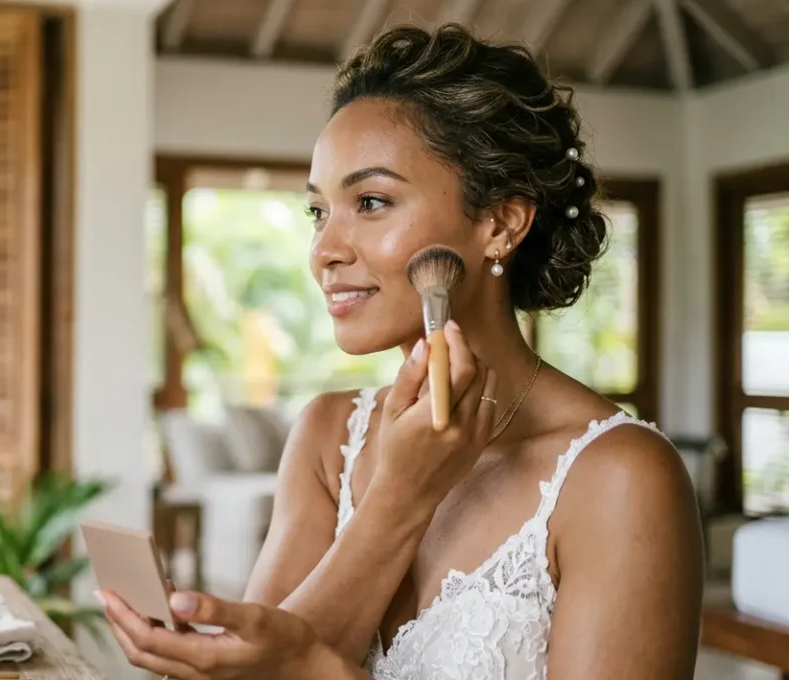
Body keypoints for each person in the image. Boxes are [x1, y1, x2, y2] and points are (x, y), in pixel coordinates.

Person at [99, 23, 704, 680]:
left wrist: (315, 667)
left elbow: (291, 664)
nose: (325, 250)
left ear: (499, 224)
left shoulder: (620, 478)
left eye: (370, 201)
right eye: (318, 212)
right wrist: (399, 495)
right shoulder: (328, 439)